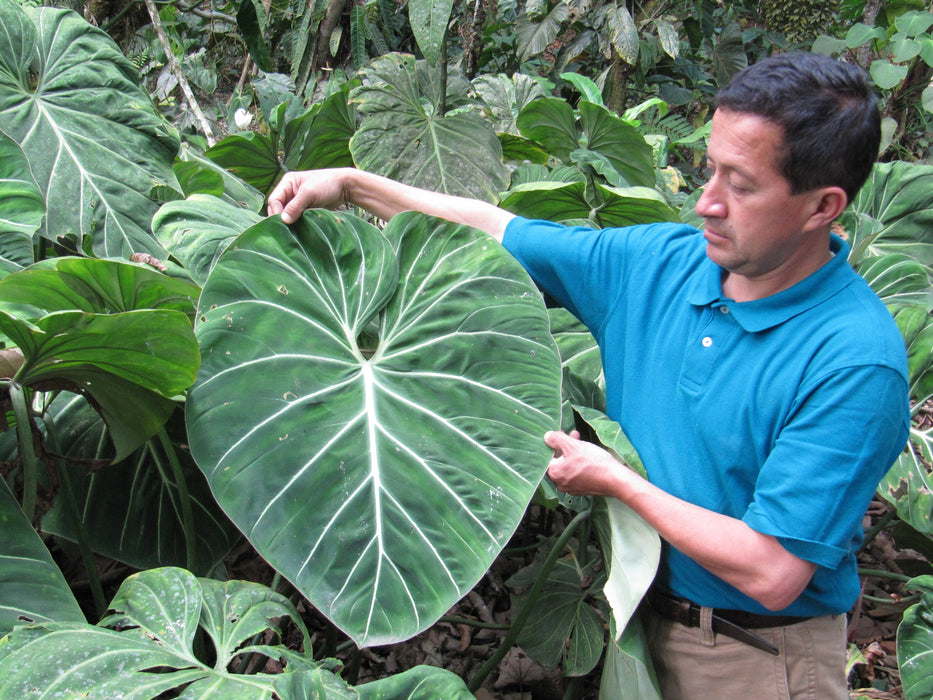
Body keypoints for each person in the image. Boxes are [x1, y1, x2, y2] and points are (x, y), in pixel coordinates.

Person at [267, 52, 910, 699]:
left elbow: (771, 570)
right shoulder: (661, 265)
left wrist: (618, 484)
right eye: (708, 169)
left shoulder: (852, 358)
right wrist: (350, 185)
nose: (706, 202)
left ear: (820, 206)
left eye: (740, 185)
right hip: (636, 622)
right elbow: (500, 232)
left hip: (758, 658)